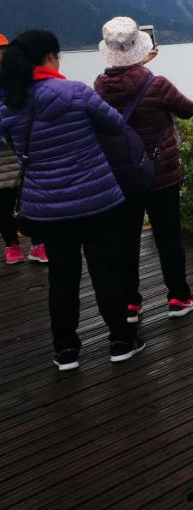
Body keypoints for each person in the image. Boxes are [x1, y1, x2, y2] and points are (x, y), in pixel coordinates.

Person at [0, 30, 142, 370]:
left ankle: (66, 350)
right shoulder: (76, 92)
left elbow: (15, 147)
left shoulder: (11, 105)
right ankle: (121, 341)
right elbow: (115, 124)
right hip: (96, 200)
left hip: (47, 207)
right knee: (106, 270)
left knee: (61, 276)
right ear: (51, 57)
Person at [94, 17, 193, 322]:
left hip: (121, 176)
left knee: (125, 240)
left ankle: (130, 303)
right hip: (160, 173)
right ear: (140, 48)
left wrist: (137, 65)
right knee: (168, 238)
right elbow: (188, 110)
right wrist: (144, 70)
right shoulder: (157, 84)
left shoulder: (99, 86)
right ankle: (178, 297)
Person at [1, 33, 47, 264]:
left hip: (17, 149)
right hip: (16, 149)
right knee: (14, 199)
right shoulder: (19, 80)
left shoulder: (18, 80)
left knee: (16, 198)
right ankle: (24, 245)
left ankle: (26, 246)